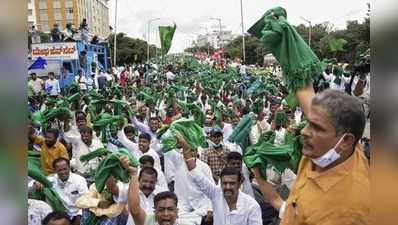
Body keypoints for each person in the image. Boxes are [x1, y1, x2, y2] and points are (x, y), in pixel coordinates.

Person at [253, 89, 370, 225]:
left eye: (317, 128)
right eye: (308, 123)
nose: (304, 131)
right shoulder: (332, 151)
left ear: (346, 141)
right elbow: (305, 91)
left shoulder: (347, 211)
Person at [176, 133, 263, 225]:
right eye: (224, 183)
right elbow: (196, 175)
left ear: (239, 183)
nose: (227, 187)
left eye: (232, 183)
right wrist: (186, 148)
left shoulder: (251, 205)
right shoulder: (216, 194)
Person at [119, 155, 186, 225]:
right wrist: (133, 174)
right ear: (155, 213)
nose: (166, 214)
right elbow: (135, 210)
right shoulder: (150, 222)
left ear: (177, 212)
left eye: (170, 209)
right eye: (161, 209)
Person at [164, 146, 213, 225]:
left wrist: (210, 209)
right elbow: (166, 147)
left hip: (201, 206)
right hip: (182, 207)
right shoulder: (178, 161)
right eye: (187, 151)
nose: (190, 153)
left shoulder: (204, 167)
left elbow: (211, 190)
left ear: (197, 152)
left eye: (192, 150)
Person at [30, 158, 88, 225]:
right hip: (61, 216)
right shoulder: (51, 180)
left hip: (78, 214)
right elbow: (33, 183)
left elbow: (86, 200)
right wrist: (36, 182)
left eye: (65, 169)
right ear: (55, 170)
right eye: (60, 170)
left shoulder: (79, 180)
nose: (63, 172)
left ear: (69, 168)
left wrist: (79, 216)